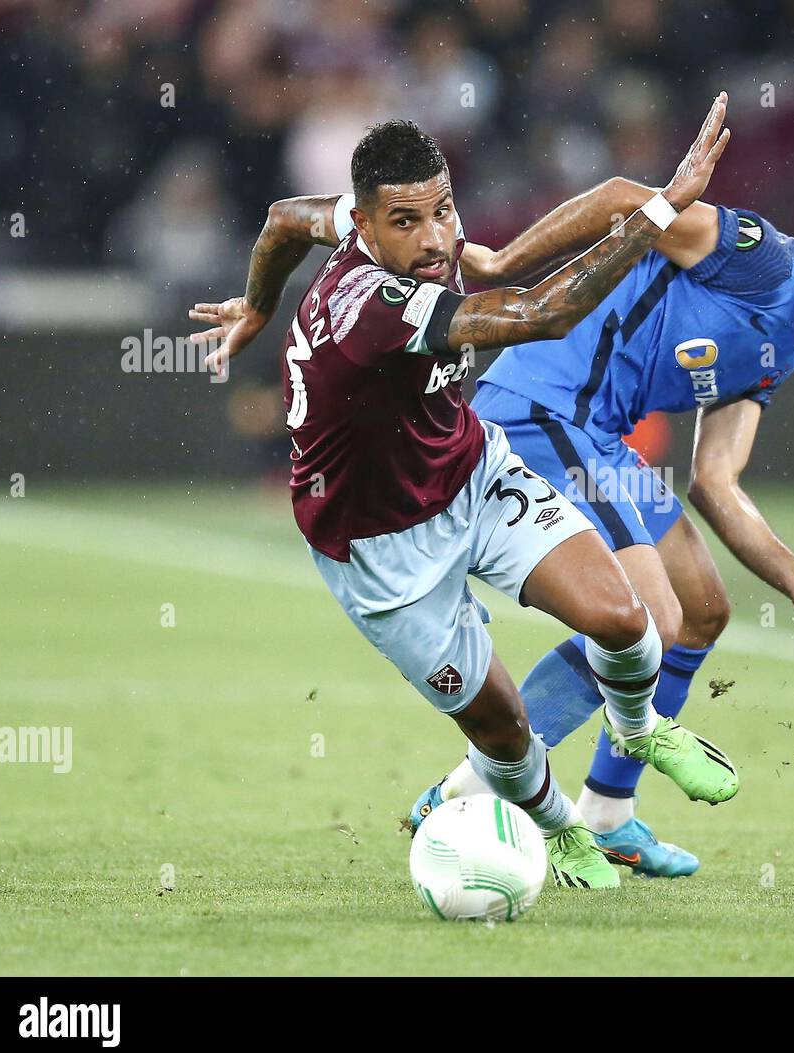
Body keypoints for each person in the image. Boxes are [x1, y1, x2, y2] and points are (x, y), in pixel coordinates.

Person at [187, 96, 738, 891]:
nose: (437, 238)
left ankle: (642, 725)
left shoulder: (363, 220)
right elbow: (543, 313)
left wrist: (259, 307)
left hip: (474, 475)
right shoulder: (374, 307)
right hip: (379, 548)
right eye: (407, 223)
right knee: (504, 730)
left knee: (626, 618)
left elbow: (280, 220)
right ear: (369, 231)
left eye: (443, 210)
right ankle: (561, 829)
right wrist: (660, 209)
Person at [403, 185, 794, 876]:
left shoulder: (784, 348)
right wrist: (504, 260)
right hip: (542, 410)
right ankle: (468, 788)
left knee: (700, 609)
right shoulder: (758, 256)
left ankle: (608, 814)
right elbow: (626, 199)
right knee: (649, 618)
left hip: (597, 438)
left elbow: (717, 482)